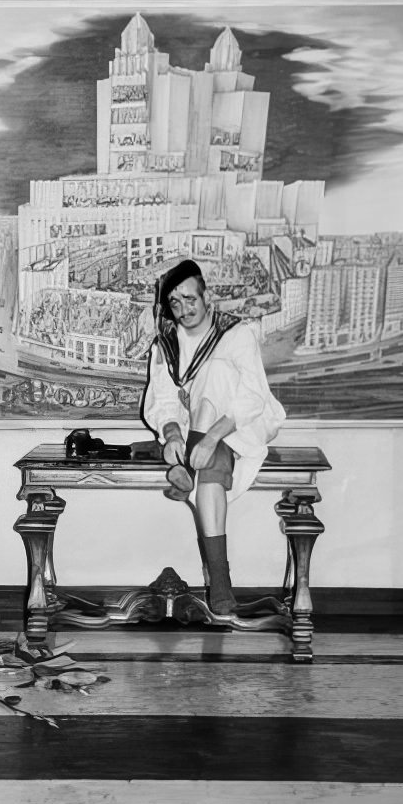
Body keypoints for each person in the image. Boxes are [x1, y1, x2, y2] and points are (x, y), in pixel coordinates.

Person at [142, 259, 286, 615]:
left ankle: (187, 469)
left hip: (241, 427)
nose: (184, 310)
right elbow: (161, 402)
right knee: (208, 482)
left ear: (207, 297)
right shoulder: (167, 345)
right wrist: (172, 432)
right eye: (174, 303)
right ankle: (221, 585)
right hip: (199, 443)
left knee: (215, 375)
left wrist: (207, 440)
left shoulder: (235, 334)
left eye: (190, 299)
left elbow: (253, 397)